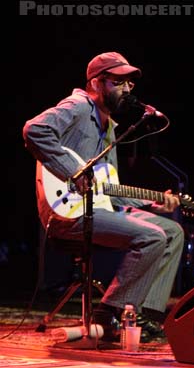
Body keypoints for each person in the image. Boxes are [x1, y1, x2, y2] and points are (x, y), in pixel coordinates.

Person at [23, 51, 184, 342]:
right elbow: (35, 130)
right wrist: (74, 171)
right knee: (153, 237)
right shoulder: (78, 106)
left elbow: (110, 193)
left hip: (96, 208)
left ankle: (145, 316)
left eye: (129, 84)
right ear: (97, 83)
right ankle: (107, 314)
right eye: (118, 82)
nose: (126, 89)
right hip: (67, 212)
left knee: (172, 231)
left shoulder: (108, 126)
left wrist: (153, 202)